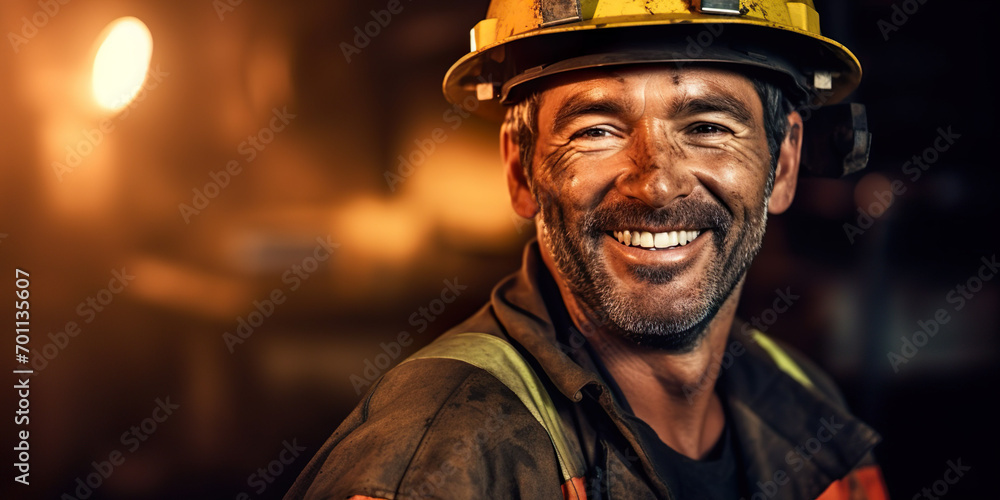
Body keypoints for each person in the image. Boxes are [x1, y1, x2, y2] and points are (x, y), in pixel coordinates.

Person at [286, 1, 888, 498]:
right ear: (522, 173)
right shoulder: (441, 460)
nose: (656, 183)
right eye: (597, 130)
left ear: (782, 167)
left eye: (708, 127)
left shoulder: (808, 411)